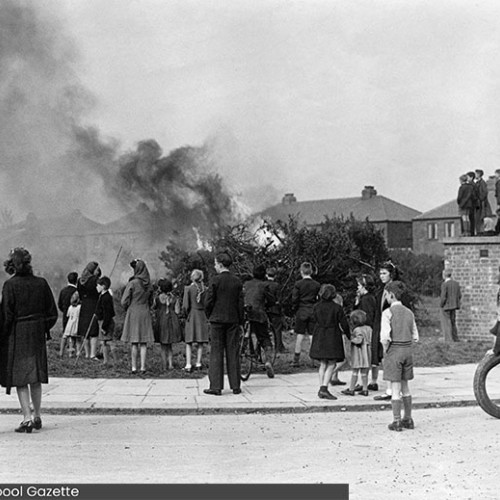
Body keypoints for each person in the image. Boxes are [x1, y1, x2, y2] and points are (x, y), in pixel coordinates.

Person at [0, 248, 58, 433]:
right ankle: (38, 415)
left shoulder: (10, 285)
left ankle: (26, 418)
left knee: (21, 379)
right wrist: (43, 328)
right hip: (37, 334)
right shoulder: (41, 283)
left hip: (18, 334)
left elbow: (6, 316)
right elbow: (52, 313)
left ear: (12, 265)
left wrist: (3, 335)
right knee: (36, 376)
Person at [380, 281, 419, 431]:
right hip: (407, 351)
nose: (386, 298)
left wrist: (386, 351)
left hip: (394, 351)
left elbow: (385, 337)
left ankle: (396, 421)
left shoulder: (387, 313)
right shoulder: (409, 312)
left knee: (395, 389)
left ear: (391, 295)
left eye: (386, 295)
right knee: (406, 386)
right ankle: (408, 418)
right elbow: (415, 335)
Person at [204, 252, 244, 396]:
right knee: (233, 352)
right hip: (233, 320)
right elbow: (240, 304)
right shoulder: (237, 281)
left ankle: (216, 386)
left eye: (215, 264)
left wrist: (210, 316)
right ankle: (235, 386)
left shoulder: (215, 280)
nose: (215, 266)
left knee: (216, 352)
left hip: (217, 320)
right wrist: (241, 321)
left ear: (220, 264)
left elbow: (208, 301)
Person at [309, 284, 350, 400]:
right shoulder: (337, 308)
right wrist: (349, 335)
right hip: (332, 335)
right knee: (332, 363)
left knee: (323, 363)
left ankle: (322, 386)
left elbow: (313, 320)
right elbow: (344, 323)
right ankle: (324, 388)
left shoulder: (316, 306)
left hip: (320, 334)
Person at [120, 259, 155, 374]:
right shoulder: (149, 284)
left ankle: (134, 367)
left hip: (133, 312)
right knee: (143, 342)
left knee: (134, 342)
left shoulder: (132, 283)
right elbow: (151, 302)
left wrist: (127, 307)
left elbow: (123, 301)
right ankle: (143, 367)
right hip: (145, 312)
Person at [243, 265, 275, 378]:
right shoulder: (264, 285)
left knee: (246, 333)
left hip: (246, 313)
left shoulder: (246, 284)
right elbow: (271, 300)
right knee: (264, 337)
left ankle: (244, 350)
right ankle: (268, 361)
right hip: (259, 314)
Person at [291, 262, 321, 367]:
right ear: (311, 271)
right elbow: (319, 299)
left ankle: (296, 360)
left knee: (300, 335)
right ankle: (313, 360)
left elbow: (294, 298)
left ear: (301, 272)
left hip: (302, 310)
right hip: (313, 310)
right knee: (312, 336)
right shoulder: (317, 285)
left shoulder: (298, 284)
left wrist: (294, 309)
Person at [182, 269, 209, 372]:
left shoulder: (188, 289)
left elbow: (185, 305)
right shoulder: (205, 289)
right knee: (200, 341)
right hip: (202, 315)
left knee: (189, 341)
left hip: (192, 315)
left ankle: (188, 364)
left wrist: (185, 315)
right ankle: (198, 363)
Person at [154, 279, 182, 371]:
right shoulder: (174, 298)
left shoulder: (158, 298)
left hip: (162, 321)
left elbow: (153, 307)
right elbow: (177, 311)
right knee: (169, 346)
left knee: (163, 346)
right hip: (172, 322)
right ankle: (171, 365)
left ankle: (164, 365)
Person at [341, 310, 372, 396]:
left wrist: (351, 340)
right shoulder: (369, 328)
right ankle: (365, 389)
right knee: (364, 372)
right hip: (367, 352)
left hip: (359, 353)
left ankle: (351, 389)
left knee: (355, 372)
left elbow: (359, 340)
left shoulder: (357, 330)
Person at [77, 262, 101, 359]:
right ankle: (92, 354)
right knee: (93, 331)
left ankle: (87, 354)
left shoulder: (80, 280)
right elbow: (99, 292)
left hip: (84, 305)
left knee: (85, 330)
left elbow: (79, 293)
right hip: (93, 304)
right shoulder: (95, 280)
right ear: (93, 270)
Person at [95, 276, 117, 366]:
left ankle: (116, 360)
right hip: (102, 321)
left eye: (98, 285)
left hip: (106, 322)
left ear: (103, 286)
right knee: (103, 342)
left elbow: (108, 313)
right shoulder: (102, 296)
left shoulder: (106, 298)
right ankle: (105, 361)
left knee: (109, 341)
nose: (97, 287)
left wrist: (104, 326)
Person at [265, 267, 286, 353]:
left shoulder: (264, 284)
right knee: (277, 329)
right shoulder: (277, 286)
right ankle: (279, 347)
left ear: (266, 275)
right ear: (275, 276)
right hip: (275, 309)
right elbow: (280, 299)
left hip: (266, 309)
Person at [440, 269, 461, 342]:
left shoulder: (444, 284)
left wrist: (441, 305)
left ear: (444, 275)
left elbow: (443, 297)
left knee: (446, 323)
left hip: (446, 306)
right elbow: (459, 295)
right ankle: (455, 338)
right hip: (454, 306)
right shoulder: (456, 284)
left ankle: (448, 339)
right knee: (453, 322)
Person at [59, 291, 81, 358]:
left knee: (71, 339)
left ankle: (70, 353)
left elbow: (68, 315)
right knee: (78, 340)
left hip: (70, 324)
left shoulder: (70, 307)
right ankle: (78, 352)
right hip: (76, 324)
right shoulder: (80, 307)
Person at [474, 169, 492, 234]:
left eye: (476, 174)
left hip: (481, 204)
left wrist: (479, 199)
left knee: (480, 217)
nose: (475, 175)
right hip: (478, 203)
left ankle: (480, 231)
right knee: (478, 218)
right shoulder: (477, 183)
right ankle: (479, 231)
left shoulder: (482, 183)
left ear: (479, 174)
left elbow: (484, 193)